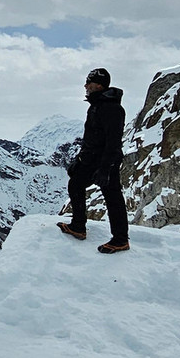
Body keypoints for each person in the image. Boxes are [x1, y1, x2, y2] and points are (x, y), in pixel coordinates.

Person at [57, 67, 130, 253]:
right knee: (75, 184)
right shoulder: (96, 106)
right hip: (90, 160)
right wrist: (79, 160)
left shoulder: (113, 109)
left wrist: (106, 168)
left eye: (88, 83)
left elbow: (113, 142)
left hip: (106, 161)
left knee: (113, 197)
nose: (85, 86)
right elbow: (92, 139)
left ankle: (120, 239)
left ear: (98, 85)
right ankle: (78, 226)